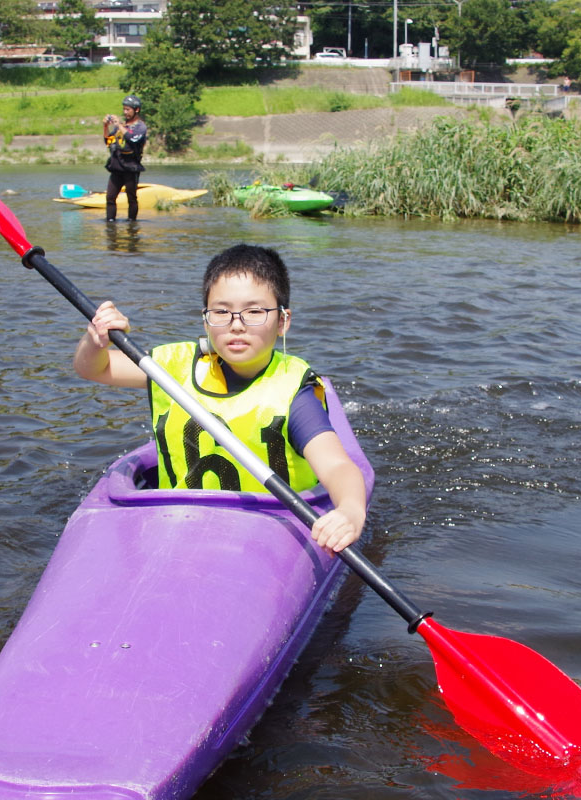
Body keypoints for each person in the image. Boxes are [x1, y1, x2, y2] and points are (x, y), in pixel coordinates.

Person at [73, 244, 368, 554]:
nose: (236, 324)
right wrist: (95, 341)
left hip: (267, 531)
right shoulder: (172, 368)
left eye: (254, 311)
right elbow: (94, 368)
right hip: (176, 527)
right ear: (205, 320)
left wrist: (350, 511)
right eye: (221, 312)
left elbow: (337, 467)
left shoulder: (294, 393)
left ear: (282, 321)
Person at [101, 95, 147, 222]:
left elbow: (133, 138)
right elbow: (108, 141)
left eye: (128, 109)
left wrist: (119, 125)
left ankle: (132, 224)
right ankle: (110, 224)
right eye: (124, 109)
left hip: (131, 168)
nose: (125, 112)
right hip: (116, 167)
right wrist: (105, 127)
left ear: (136, 110)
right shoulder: (119, 127)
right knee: (110, 197)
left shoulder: (140, 127)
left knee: (131, 198)